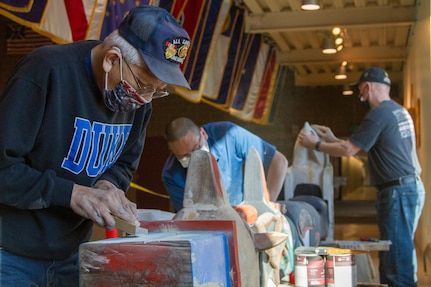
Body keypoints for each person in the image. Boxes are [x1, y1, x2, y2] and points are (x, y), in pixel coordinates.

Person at [0, 6, 190, 287]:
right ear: (112, 60)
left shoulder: (138, 102)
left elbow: (124, 164)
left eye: (157, 90)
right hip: (11, 253)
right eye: (145, 86)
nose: (147, 99)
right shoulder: (47, 71)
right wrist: (72, 194)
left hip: (71, 253)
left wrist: (106, 186)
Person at [297, 67, 425, 287]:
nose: (360, 97)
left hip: (398, 192)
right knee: (395, 252)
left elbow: (349, 151)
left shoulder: (378, 114)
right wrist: (334, 138)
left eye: (360, 91)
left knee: (396, 259)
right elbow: (366, 148)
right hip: (406, 188)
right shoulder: (397, 111)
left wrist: (315, 144)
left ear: (367, 87)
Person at [162, 117, 288, 212]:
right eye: (184, 156)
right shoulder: (171, 175)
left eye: (196, 149)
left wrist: (266, 207)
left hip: (245, 212)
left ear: (203, 134)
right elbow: (191, 218)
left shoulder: (229, 135)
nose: (193, 158)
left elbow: (279, 162)